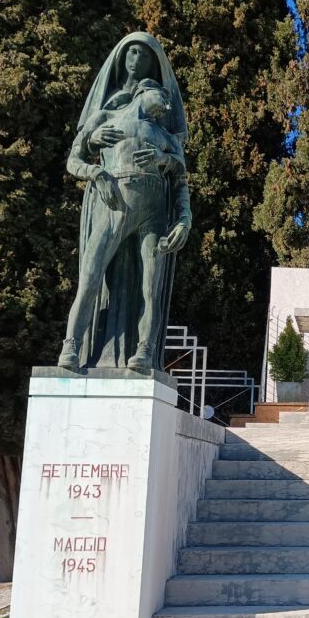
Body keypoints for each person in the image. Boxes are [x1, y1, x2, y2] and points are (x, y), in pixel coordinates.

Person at [57, 33, 190, 372]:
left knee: (150, 288)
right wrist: (95, 171)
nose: (166, 105)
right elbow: (73, 160)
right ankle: (70, 346)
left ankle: (144, 350)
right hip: (113, 204)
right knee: (90, 276)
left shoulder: (165, 137)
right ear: (143, 93)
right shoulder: (106, 117)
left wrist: (184, 218)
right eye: (160, 97)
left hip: (152, 215)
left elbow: (180, 179)